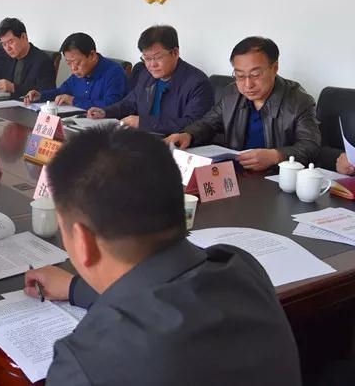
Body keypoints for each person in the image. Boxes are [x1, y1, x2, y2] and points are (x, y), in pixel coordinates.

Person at [25, 127, 302, 385]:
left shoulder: (87, 363)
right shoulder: (241, 267)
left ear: (82, 241)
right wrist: (75, 288)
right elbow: (158, 291)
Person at [165, 37, 321, 171]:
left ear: (275, 68)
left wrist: (276, 156)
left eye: (255, 75)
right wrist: (188, 135)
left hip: (275, 177)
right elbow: (208, 123)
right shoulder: (232, 94)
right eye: (240, 76)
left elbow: (310, 146)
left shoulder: (298, 101)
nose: (247, 85)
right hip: (235, 174)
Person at [87, 25, 213, 135]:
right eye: (147, 58)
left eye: (157, 58)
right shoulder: (146, 75)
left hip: (175, 145)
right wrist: (105, 112)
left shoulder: (197, 83)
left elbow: (193, 124)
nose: (152, 65)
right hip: (144, 139)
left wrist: (143, 123)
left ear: (175, 53)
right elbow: (130, 103)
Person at [23, 32, 127, 109]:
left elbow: (111, 105)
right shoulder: (79, 74)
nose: (73, 68)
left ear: (92, 55)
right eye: (69, 63)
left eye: (77, 63)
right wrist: (41, 96)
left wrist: (74, 100)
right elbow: (61, 91)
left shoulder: (114, 73)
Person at [0, 17, 56, 99]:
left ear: (23, 37)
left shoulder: (42, 61)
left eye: (11, 42)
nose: (8, 48)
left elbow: (47, 93)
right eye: (4, 44)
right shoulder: (7, 59)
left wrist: (13, 88)